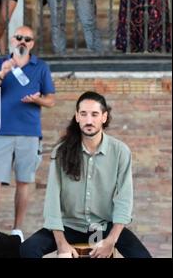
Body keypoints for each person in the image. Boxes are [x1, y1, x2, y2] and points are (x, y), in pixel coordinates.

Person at [20, 91, 152, 258]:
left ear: (104, 117)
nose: (89, 120)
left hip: (103, 227)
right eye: (84, 114)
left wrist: (111, 241)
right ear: (77, 117)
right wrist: (62, 244)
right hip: (68, 226)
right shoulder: (61, 152)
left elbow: (124, 200)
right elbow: (52, 200)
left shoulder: (120, 152)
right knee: (28, 249)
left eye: (94, 114)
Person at [0, 25, 56, 242]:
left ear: (33, 43)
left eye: (28, 39)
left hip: (29, 132)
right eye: (19, 38)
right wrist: (3, 73)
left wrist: (37, 100)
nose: (23, 42)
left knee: (24, 181)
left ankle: (17, 229)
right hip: (1, 131)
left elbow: (51, 100)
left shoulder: (40, 67)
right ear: (12, 40)